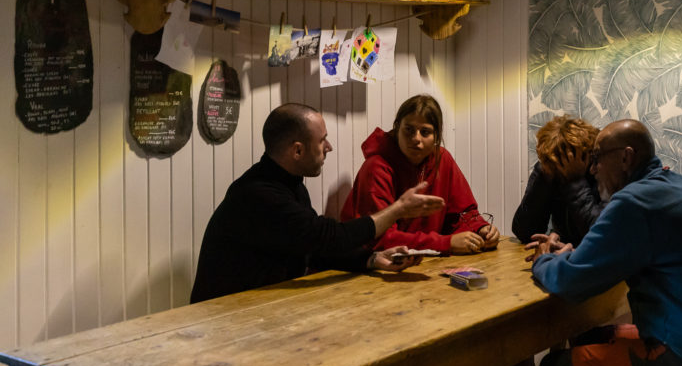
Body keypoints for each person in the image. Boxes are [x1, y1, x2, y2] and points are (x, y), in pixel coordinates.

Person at [527, 119, 682, 366]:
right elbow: (592, 259)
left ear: (626, 157)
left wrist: (543, 259)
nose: (593, 168)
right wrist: (569, 258)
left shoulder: (634, 203)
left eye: (597, 158)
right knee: (588, 337)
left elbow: (570, 281)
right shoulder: (676, 185)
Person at [190, 103, 445, 303]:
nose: (329, 147)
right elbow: (329, 236)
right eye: (322, 140)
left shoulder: (290, 183)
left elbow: (313, 246)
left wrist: (371, 259)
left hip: (263, 308)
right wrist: (398, 209)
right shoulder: (260, 194)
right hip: (225, 318)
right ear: (298, 151)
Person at [337, 94, 500, 254]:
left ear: (437, 135)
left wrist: (480, 229)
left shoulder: (442, 159)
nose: (416, 138)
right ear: (397, 128)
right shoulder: (376, 168)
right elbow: (379, 238)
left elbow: (462, 214)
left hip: (422, 263)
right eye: (409, 129)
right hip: (367, 266)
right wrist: (445, 243)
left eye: (425, 132)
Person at [512, 115, 604, 246]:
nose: (562, 169)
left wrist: (575, 180)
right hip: (560, 250)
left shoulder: (602, 171)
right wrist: (544, 179)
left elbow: (600, 236)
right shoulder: (549, 168)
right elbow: (525, 233)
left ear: (586, 155)